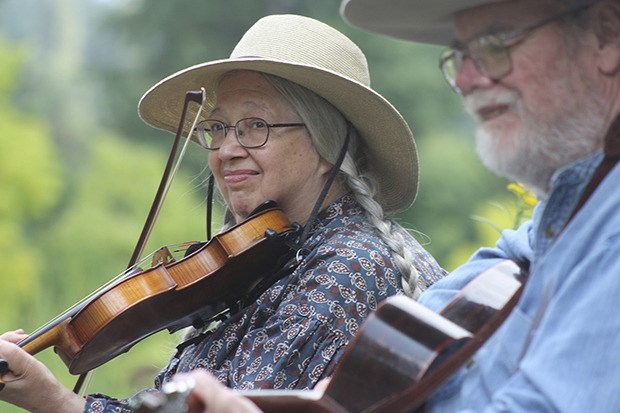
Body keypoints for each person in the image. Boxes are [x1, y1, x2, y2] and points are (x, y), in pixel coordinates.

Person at [97, 0, 620, 411]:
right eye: (459, 55)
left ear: (607, 35)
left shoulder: (349, 264)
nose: (465, 78)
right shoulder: (544, 234)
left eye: (495, 43)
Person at [0, 14, 447, 413]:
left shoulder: (346, 268)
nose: (227, 150)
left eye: (256, 125)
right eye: (218, 127)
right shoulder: (278, 257)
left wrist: (59, 402)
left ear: (327, 144)